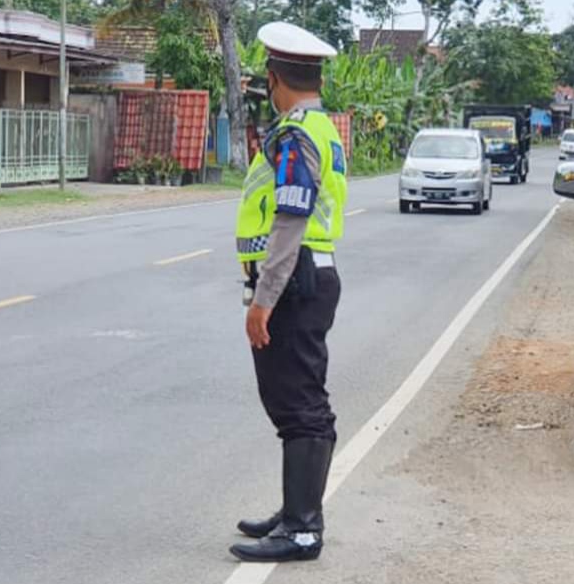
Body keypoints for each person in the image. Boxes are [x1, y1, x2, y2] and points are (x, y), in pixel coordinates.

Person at [229, 21, 348, 563]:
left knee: (300, 406)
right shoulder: (322, 128)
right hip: (307, 278)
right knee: (293, 403)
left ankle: (303, 529)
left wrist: (264, 299)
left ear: (274, 79)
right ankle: (294, 509)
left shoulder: (296, 133)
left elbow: (290, 218)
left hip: (294, 281)